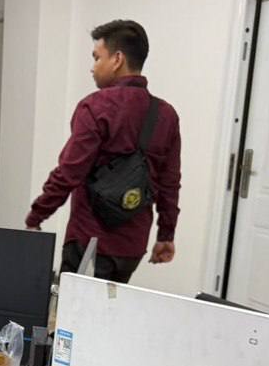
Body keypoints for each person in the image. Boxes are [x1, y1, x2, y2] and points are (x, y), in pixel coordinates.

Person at [26, 19, 181, 284]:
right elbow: (169, 181)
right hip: (132, 245)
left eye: (97, 57)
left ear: (117, 59)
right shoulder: (166, 114)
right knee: (112, 306)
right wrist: (166, 235)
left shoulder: (95, 107)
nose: (92, 67)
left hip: (89, 240)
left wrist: (36, 216)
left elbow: (69, 172)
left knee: (72, 309)